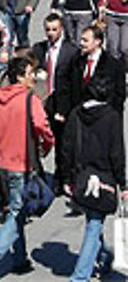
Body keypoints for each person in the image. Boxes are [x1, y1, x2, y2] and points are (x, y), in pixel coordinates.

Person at [0, 56, 54, 282]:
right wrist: (48, 144)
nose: (33, 77)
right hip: (22, 165)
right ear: (20, 76)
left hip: (1, 165)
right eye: (30, 73)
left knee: (16, 209)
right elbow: (42, 127)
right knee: (18, 211)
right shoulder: (31, 99)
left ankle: (19, 259)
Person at [62, 77, 127, 282]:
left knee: (92, 220)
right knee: (95, 224)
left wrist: (65, 177)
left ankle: (104, 257)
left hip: (81, 177)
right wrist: (123, 182)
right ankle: (80, 276)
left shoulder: (75, 114)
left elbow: (67, 148)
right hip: (104, 177)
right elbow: (117, 152)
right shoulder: (111, 117)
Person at [31, 13, 78, 192]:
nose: (50, 33)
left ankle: (61, 179)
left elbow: (73, 84)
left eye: (54, 29)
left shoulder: (71, 51)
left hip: (61, 105)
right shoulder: (39, 49)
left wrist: (66, 110)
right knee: (36, 143)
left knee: (61, 145)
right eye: (48, 30)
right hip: (42, 103)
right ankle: (39, 177)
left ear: (62, 30)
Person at [61, 26, 126, 116]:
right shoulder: (77, 61)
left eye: (85, 40)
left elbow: (119, 94)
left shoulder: (113, 65)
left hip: (103, 117)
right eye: (81, 40)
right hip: (80, 115)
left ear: (97, 42)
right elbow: (69, 86)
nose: (81, 43)